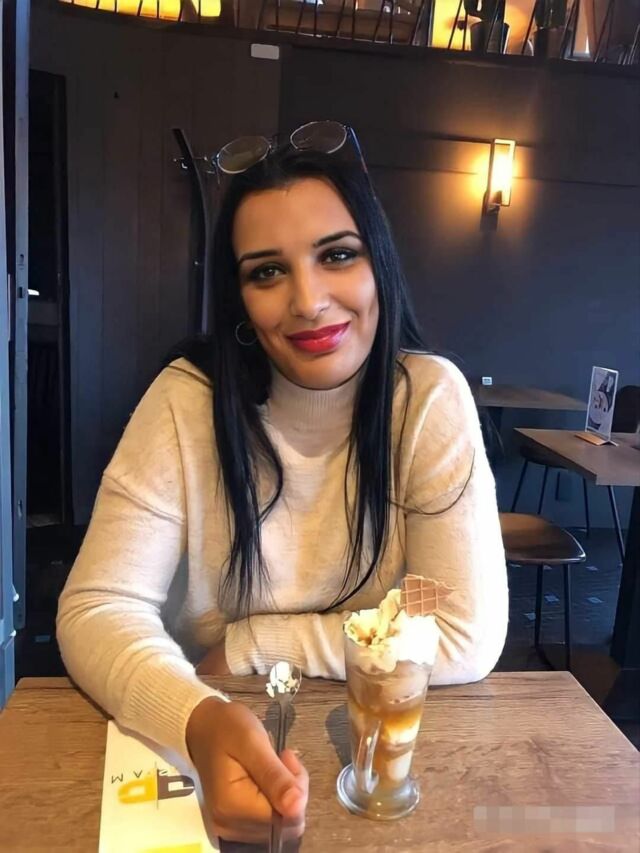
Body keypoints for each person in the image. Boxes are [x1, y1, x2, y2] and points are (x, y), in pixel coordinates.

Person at [57, 122, 508, 845]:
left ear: (379, 264)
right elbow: (96, 607)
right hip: (202, 724)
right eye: (267, 272)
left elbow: (460, 627)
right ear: (239, 300)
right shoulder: (187, 401)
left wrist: (255, 644)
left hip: (368, 759)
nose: (308, 301)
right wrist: (197, 717)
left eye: (338, 255)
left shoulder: (426, 402)